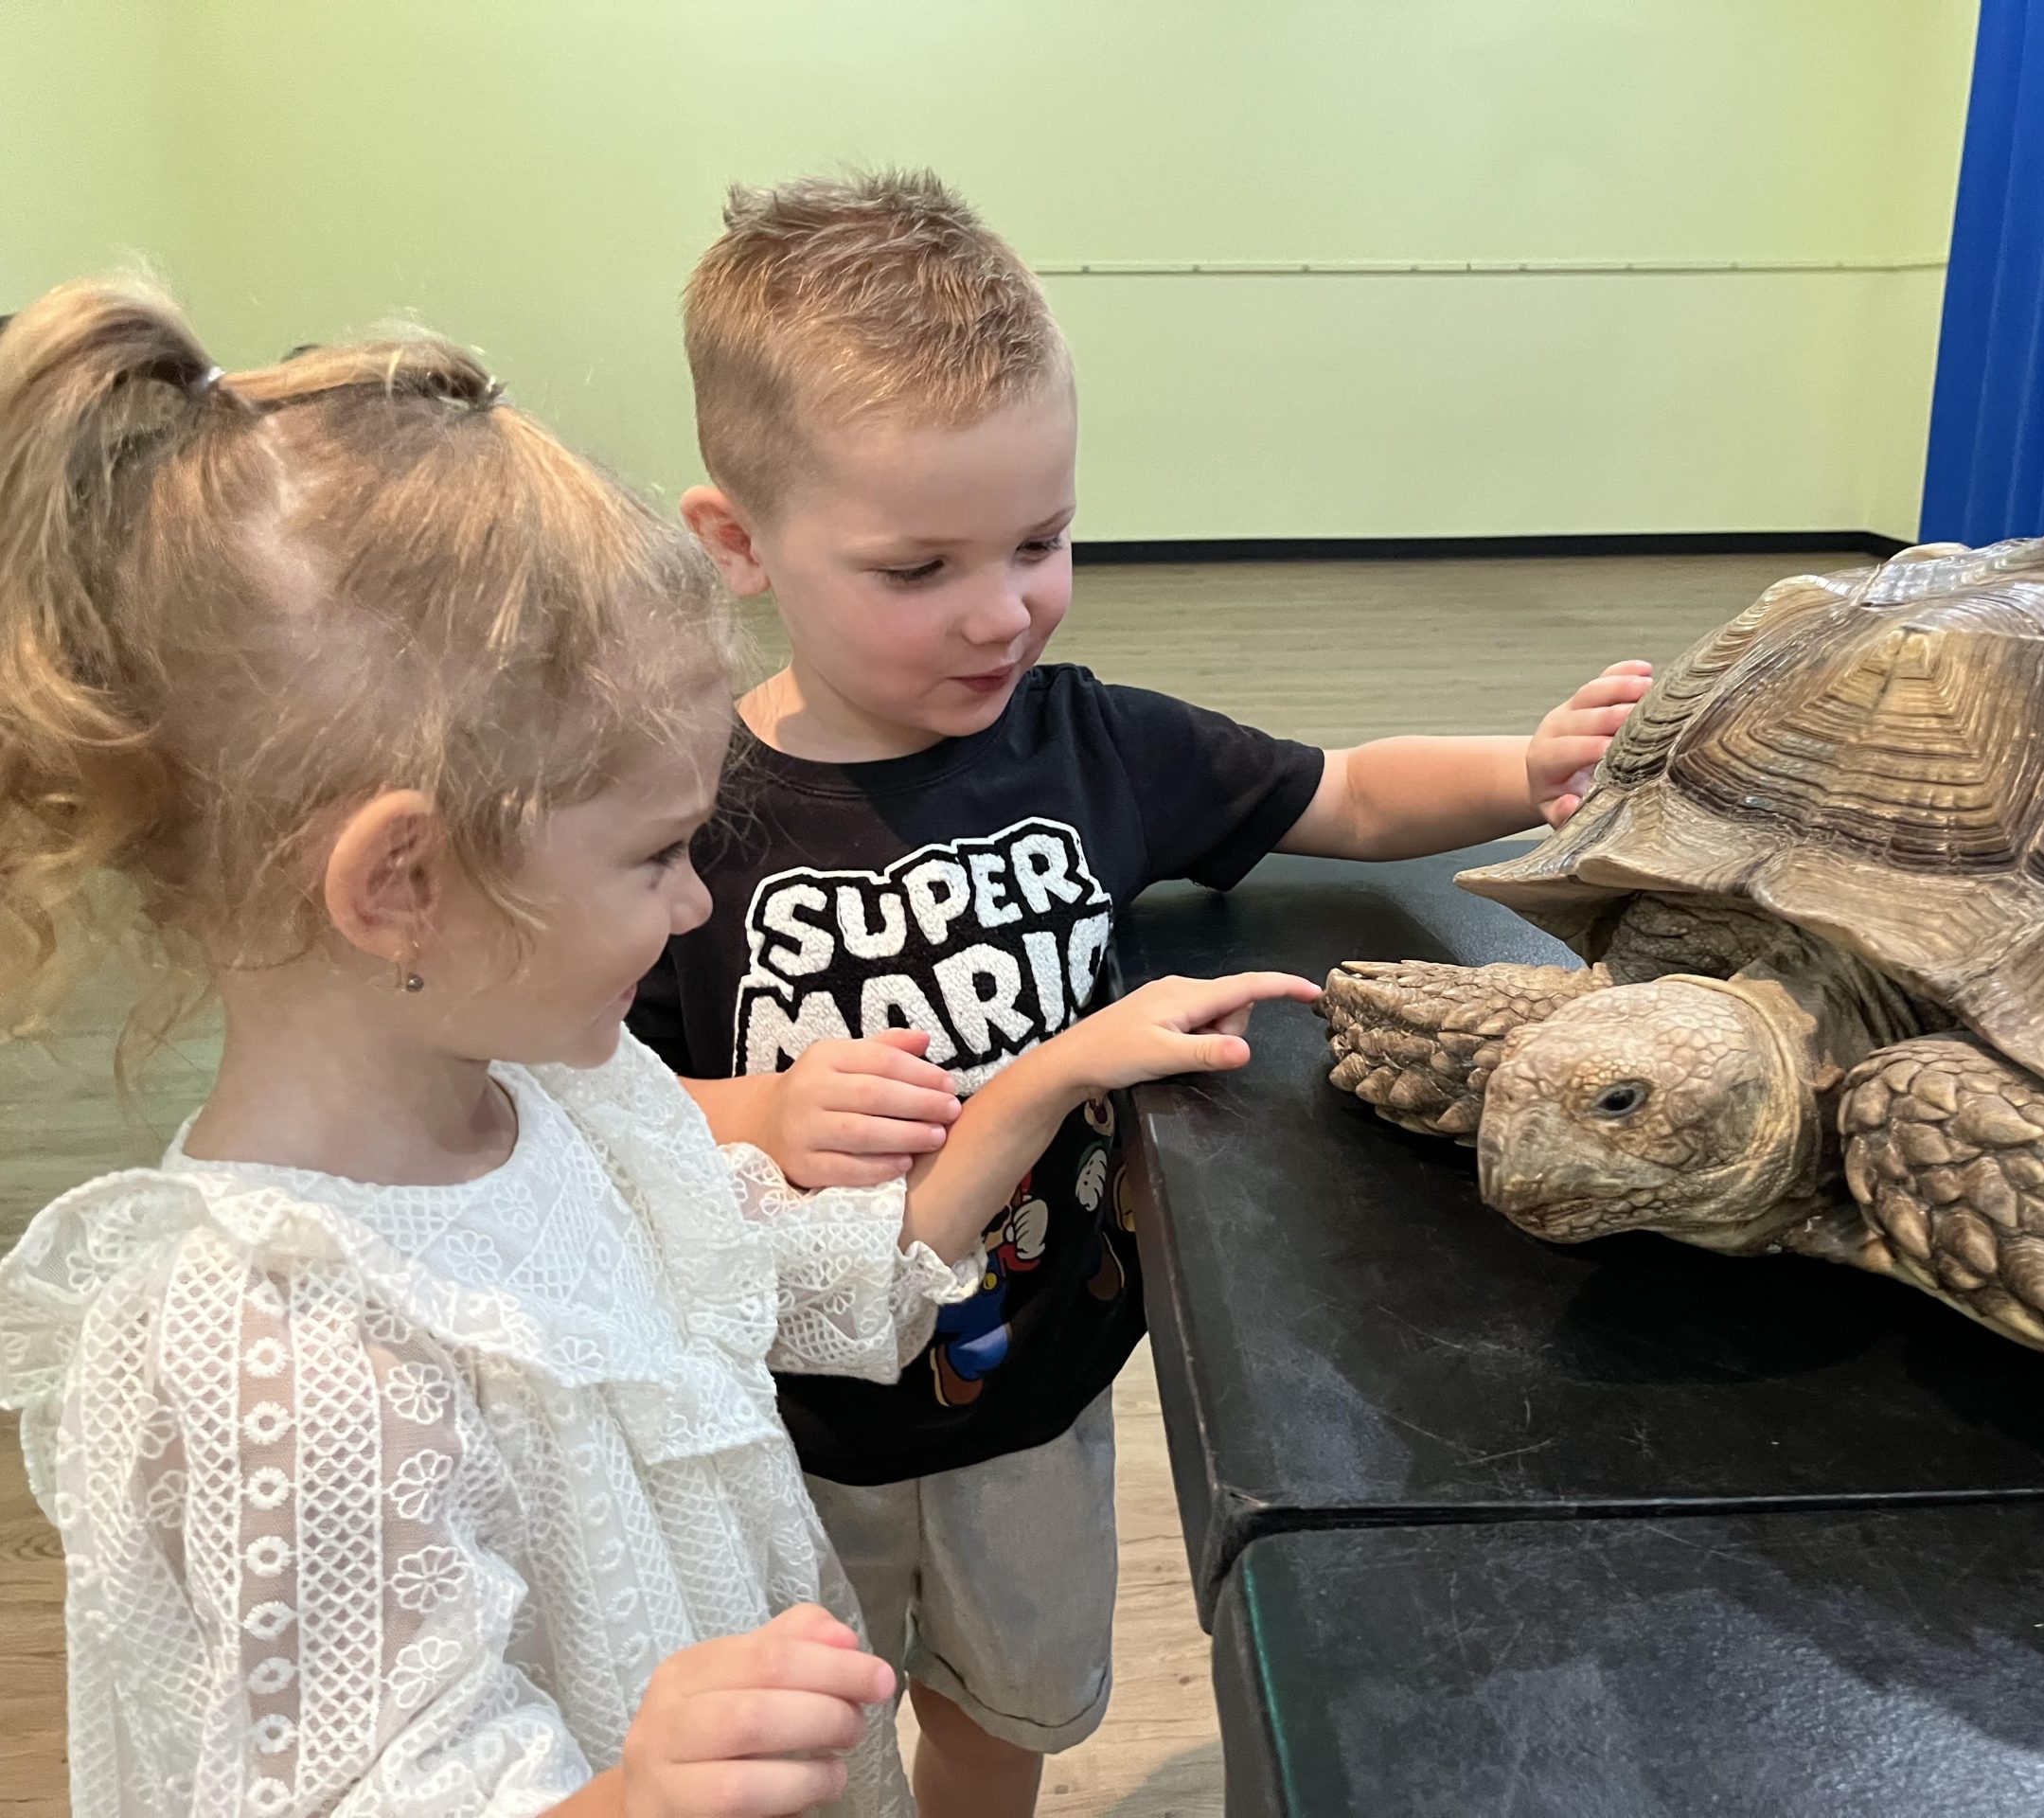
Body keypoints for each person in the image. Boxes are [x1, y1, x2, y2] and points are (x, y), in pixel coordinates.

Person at [0, 276, 1313, 1818]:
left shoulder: (563, 1099)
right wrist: (630, 1796)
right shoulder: (271, 1362)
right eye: (655, 858)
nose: (697, 903)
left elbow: (811, 1279)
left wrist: (1047, 1077)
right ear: (404, 886)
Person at [643, 169, 1653, 1816]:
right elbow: (566, 1107)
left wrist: (1520, 766)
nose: (1002, 611)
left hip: (1041, 1403)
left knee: (1006, 1715)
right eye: (918, 566)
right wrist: (755, 1108)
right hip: (783, 1425)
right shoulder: (679, 811)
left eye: (1040, 543)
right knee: (807, 1754)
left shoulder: (1091, 742)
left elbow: (1340, 791)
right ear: (740, 544)